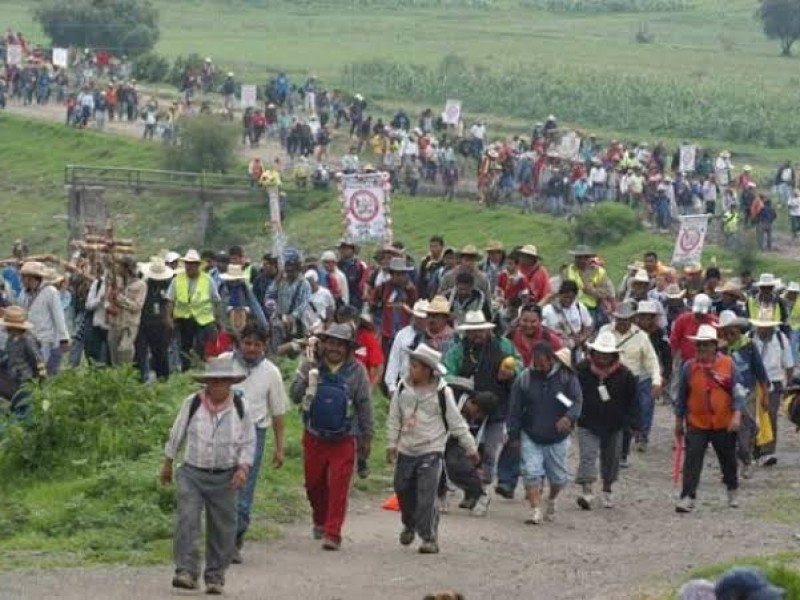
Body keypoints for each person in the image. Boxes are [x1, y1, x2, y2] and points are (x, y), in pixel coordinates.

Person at [161, 356, 256, 594]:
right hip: (192, 472)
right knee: (187, 519)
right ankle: (186, 571)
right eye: (214, 382)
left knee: (223, 528)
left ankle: (215, 576)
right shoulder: (192, 403)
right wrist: (168, 462)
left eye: (223, 381)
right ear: (207, 383)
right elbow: (177, 432)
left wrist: (243, 468)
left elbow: (249, 442)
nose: (218, 386)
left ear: (230, 383)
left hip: (226, 476)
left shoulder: (241, 408)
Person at [386, 344, 479, 554]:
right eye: (411, 365)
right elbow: (394, 417)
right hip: (406, 449)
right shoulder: (403, 387)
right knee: (402, 489)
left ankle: (429, 537)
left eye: (416, 367)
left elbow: (456, 422)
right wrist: (391, 444)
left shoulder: (442, 393)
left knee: (427, 496)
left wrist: (470, 448)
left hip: (431, 449)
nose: (412, 370)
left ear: (429, 370)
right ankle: (409, 523)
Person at [290, 323, 373, 551]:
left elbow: (365, 406)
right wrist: (305, 374)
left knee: (338, 487)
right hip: (313, 436)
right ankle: (320, 519)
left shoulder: (358, 371)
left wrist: (367, 438)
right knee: (313, 485)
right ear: (323, 344)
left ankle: (333, 533)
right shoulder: (311, 365)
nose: (334, 348)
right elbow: (295, 397)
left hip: (344, 439)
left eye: (340, 344)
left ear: (348, 348)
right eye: (331, 342)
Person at [227, 324, 286, 563]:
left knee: (244, 490)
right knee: (222, 488)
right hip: (224, 433)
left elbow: (278, 413)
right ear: (240, 342)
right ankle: (222, 538)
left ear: (264, 346)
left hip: (254, 435)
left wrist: (279, 448)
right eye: (247, 343)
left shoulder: (271, 372)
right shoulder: (224, 363)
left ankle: (235, 539)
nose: (251, 349)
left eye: (257, 344)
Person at [507, 341, 582, 525]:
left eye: (542, 363)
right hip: (531, 434)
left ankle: (552, 499)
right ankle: (535, 510)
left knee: (558, 477)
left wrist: (569, 418)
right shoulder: (524, 378)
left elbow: (576, 401)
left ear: (551, 360)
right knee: (531, 473)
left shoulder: (566, 377)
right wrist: (514, 434)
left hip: (557, 437)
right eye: (535, 362)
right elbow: (514, 408)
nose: (538, 366)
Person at [443, 311, 518, 486]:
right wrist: (463, 397)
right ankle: (471, 487)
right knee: (468, 449)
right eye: (472, 331)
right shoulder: (458, 350)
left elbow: (519, 365)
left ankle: (483, 485)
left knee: (491, 451)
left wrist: (511, 372)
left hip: (499, 406)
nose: (476, 334)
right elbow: (446, 375)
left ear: (487, 330)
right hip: (469, 408)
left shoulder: (504, 345)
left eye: (480, 330)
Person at [674, 324, 743, 513]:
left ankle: (732, 488)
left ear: (715, 346)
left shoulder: (728, 364)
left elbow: (738, 393)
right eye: (699, 345)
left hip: (723, 422)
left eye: (705, 345)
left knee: (727, 459)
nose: (701, 349)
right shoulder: (689, 367)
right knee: (692, 460)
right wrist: (679, 421)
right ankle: (688, 496)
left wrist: (737, 415)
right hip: (697, 421)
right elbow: (682, 396)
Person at [575, 331, 638, 510]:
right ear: (592, 353)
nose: (602, 357)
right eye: (599, 353)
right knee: (588, 455)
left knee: (612, 458)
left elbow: (633, 400)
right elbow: (570, 392)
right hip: (587, 421)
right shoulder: (581, 370)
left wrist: (634, 423)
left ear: (613, 355)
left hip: (615, 424)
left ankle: (607, 489)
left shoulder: (625, 374)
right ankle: (587, 491)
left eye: (606, 354)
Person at [599, 301, 662, 460]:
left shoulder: (641, 337)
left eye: (626, 319)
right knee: (606, 413)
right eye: (619, 319)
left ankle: (623, 453)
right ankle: (607, 447)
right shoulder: (605, 331)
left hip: (630, 383)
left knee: (626, 419)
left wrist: (656, 381)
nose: (622, 322)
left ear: (632, 319)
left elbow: (652, 361)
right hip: (607, 379)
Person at [717, 310, 768, 479]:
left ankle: (746, 460)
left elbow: (760, 371)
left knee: (744, 431)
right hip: (727, 395)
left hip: (748, 393)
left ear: (739, 329)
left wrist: (765, 395)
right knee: (728, 434)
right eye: (726, 332)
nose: (730, 335)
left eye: (733, 331)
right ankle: (731, 468)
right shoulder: (721, 350)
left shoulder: (749, 346)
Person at [749, 316, 793, 467]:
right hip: (753, 382)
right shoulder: (751, 339)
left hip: (774, 382)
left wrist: (788, 384)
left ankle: (768, 452)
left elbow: (789, 363)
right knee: (753, 416)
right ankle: (755, 450)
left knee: (770, 415)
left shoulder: (781, 339)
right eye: (761, 326)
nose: (764, 329)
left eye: (767, 326)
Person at [166, 249, 220, 371]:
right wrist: (168, 318)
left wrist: (216, 319)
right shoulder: (177, 279)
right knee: (184, 348)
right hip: (184, 319)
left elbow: (216, 300)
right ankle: (186, 373)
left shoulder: (207, 279)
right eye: (187, 264)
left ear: (197, 265)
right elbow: (170, 299)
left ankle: (199, 369)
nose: (189, 267)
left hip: (203, 320)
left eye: (192, 264)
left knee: (200, 345)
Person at [17, 261, 70, 375]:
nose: (21, 279)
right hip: (31, 340)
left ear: (31, 277)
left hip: (48, 340)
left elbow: (58, 316)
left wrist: (63, 338)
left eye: (24, 277)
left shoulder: (50, 292)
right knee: (36, 373)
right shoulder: (24, 294)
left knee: (48, 373)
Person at [0, 306, 45, 415]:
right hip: (13, 378)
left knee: (25, 405)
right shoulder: (11, 339)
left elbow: (38, 360)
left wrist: (42, 378)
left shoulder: (27, 340)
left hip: (26, 379)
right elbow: (8, 356)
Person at [134, 257, 174, 381]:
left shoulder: (169, 285)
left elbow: (170, 302)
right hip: (143, 323)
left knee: (161, 354)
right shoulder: (144, 284)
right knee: (139, 354)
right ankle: (138, 380)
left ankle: (163, 379)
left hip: (161, 325)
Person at [106, 256, 147, 367]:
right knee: (114, 354)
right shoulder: (117, 282)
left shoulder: (140, 285)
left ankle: (126, 376)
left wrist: (120, 299)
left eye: (120, 266)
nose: (118, 268)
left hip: (129, 324)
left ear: (126, 268)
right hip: (115, 323)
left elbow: (137, 306)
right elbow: (108, 299)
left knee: (125, 350)